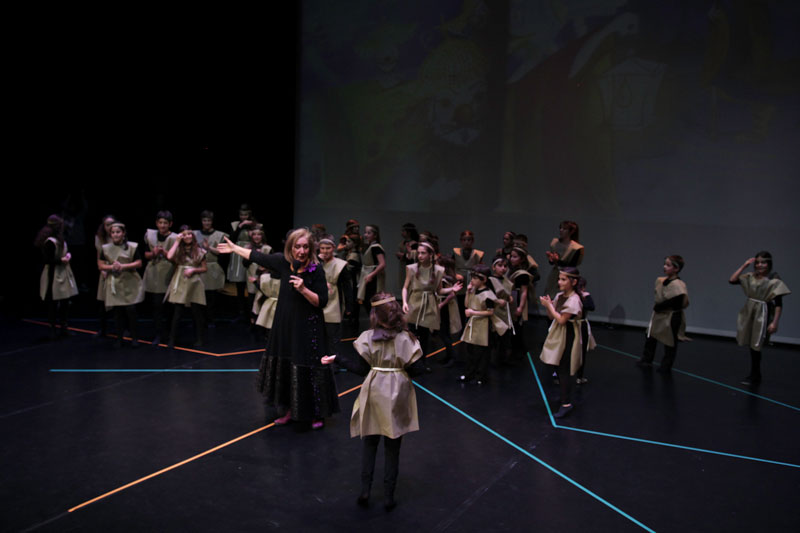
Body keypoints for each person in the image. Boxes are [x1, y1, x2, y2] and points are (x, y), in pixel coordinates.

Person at [219, 228, 339, 429]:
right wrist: (234, 249)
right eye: (297, 246)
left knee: (308, 370)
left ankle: (315, 413)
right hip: (285, 326)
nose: (301, 251)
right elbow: (257, 256)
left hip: (308, 328)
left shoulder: (316, 270)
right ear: (290, 247)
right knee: (287, 368)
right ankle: (290, 410)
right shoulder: (283, 263)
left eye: (305, 247)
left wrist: (303, 289)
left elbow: (321, 301)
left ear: (310, 248)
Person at [321, 292, 426, 510]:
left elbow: (361, 369)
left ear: (375, 315)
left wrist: (338, 359)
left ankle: (365, 490)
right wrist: (399, 370)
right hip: (397, 395)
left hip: (374, 392)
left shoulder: (367, 337)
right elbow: (418, 369)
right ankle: (388, 496)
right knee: (393, 447)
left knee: (370, 443)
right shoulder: (407, 338)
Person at [539, 267, 595, 418]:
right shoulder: (560, 295)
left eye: (563, 279)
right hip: (559, 333)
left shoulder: (574, 300)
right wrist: (549, 306)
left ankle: (566, 403)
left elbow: (563, 320)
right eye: (559, 279)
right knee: (557, 366)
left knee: (564, 368)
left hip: (569, 334)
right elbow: (552, 317)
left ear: (573, 282)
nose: (559, 282)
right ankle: (564, 398)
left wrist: (549, 306)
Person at [729, 251, 790, 385]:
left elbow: (778, 304)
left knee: (756, 344)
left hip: (762, 312)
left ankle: (755, 375)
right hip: (750, 311)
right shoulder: (751, 277)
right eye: (757, 263)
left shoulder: (773, 280)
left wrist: (775, 322)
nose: (759, 265)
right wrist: (744, 266)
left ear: (768, 264)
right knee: (751, 343)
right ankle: (755, 374)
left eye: (763, 262)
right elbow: (732, 280)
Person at [638, 255, 689, 374]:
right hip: (659, 315)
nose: (664, 267)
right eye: (665, 264)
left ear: (676, 269)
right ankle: (647, 359)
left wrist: (661, 306)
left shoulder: (678, 284)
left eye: (668, 265)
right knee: (650, 337)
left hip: (670, 316)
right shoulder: (661, 281)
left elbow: (677, 301)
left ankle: (666, 365)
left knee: (670, 342)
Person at [97, 222, 144, 347]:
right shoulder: (106, 248)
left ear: (123, 233)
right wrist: (112, 267)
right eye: (113, 232)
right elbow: (101, 265)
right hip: (115, 282)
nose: (115, 234)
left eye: (118, 232)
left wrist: (123, 266)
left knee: (131, 310)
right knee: (117, 312)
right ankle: (119, 338)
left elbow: (139, 263)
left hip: (129, 281)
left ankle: (134, 337)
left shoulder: (132, 246)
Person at [402, 241, 447, 363]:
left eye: (423, 253)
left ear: (430, 254)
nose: (420, 256)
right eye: (418, 253)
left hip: (428, 304)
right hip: (414, 303)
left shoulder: (438, 270)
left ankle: (422, 362)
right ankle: (411, 361)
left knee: (424, 335)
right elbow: (405, 287)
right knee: (411, 334)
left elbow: (439, 290)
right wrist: (404, 302)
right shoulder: (412, 268)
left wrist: (452, 289)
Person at [35, 215, 78, 339]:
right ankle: (52, 329)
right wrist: (61, 260)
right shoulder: (50, 241)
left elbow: (63, 251)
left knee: (65, 301)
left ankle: (64, 327)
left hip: (63, 271)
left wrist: (67, 255)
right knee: (53, 302)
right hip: (53, 273)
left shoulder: (60, 239)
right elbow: (47, 260)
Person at [165, 226, 208, 348]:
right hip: (180, 280)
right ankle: (172, 339)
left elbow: (204, 268)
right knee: (177, 311)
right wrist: (177, 241)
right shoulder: (178, 249)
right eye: (184, 234)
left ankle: (199, 338)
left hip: (194, 282)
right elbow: (169, 256)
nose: (187, 236)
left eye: (189, 234)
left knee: (196, 311)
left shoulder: (199, 251)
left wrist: (194, 270)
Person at [142, 211, 178, 344]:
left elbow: (178, 259)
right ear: (157, 223)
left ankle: (169, 333)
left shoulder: (175, 238)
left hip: (169, 273)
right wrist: (154, 253)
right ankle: (158, 334)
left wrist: (166, 253)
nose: (163, 225)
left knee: (170, 307)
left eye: (165, 223)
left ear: (170, 224)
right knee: (157, 306)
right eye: (160, 222)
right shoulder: (150, 235)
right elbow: (145, 254)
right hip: (155, 274)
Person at [459, 264, 496, 384]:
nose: (472, 280)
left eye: (475, 278)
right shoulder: (473, 290)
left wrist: (474, 312)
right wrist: (468, 292)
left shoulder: (488, 294)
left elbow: (490, 312)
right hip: (473, 322)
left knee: (482, 352)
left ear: (483, 280)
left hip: (483, 325)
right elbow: (466, 304)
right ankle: (469, 373)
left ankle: (481, 376)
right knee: (470, 350)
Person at [318, 235, 353, 358]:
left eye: (328, 248)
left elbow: (347, 286)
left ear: (333, 248)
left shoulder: (340, 265)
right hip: (318, 299)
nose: (325, 251)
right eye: (322, 248)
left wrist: (349, 305)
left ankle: (334, 360)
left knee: (333, 334)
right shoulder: (316, 263)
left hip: (334, 301)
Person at [195, 210, 228, 327]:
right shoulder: (195, 234)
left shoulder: (219, 235)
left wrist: (208, 247)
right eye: (204, 220)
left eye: (208, 220)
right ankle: (200, 319)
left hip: (212, 267)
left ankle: (211, 319)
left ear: (212, 221)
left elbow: (221, 252)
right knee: (200, 294)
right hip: (199, 266)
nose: (206, 223)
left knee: (212, 295)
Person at [228, 204, 257, 321]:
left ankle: (252, 312)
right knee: (239, 285)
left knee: (251, 284)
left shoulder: (255, 225)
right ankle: (241, 312)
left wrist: (251, 226)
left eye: (245, 215)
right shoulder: (235, 224)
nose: (243, 217)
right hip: (238, 254)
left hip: (250, 252)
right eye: (241, 215)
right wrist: (240, 227)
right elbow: (232, 239)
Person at [544, 220, 584, 297]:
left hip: (567, 277)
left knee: (563, 296)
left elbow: (572, 266)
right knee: (550, 295)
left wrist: (558, 261)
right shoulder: (555, 243)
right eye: (560, 228)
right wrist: (551, 260)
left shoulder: (576, 248)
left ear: (571, 231)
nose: (561, 230)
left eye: (564, 229)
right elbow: (553, 262)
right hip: (555, 275)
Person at [453, 230, 484, 325]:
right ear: (461, 241)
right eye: (464, 240)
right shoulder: (456, 253)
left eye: (469, 240)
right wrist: (455, 275)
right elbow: (449, 267)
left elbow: (482, 268)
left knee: (472, 305)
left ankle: (470, 326)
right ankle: (462, 327)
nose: (467, 242)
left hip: (472, 282)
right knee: (460, 306)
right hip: (460, 283)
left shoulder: (478, 254)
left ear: (472, 241)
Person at [94, 214, 117, 337]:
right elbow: (99, 256)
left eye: (112, 224)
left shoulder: (118, 236)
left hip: (117, 270)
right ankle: (102, 329)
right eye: (107, 225)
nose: (109, 227)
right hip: (104, 270)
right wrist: (102, 269)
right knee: (102, 301)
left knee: (119, 303)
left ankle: (122, 328)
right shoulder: (100, 238)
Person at [357, 225, 386, 310]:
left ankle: (375, 317)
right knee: (367, 301)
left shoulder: (376, 247)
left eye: (369, 233)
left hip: (373, 278)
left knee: (371, 301)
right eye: (365, 232)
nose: (366, 235)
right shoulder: (370, 246)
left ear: (375, 235)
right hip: (368, 275)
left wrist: (371, 275)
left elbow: (382, 264)